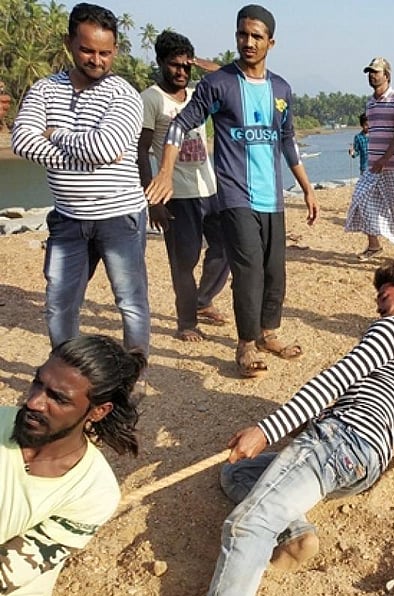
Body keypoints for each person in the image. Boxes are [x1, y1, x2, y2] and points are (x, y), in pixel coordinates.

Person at [166, 262, 394, 596]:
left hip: (339, 441)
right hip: (365, 464)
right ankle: (296, 530)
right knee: (235, 473)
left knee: (247, 527)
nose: (380, 306)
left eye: (385, 295)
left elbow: (336, 379)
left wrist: (267, 430)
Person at [145, 5, 319, 379]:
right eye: (243, 34)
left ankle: (267, 333)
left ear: (271, 42)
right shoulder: (218, 84)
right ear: (236, 36)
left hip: (273, 196)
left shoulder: (281, 89)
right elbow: (180, 126)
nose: (249, 42)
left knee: (275, 271)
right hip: (235, 196)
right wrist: (165, 172)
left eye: (257, 36)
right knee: (248, 270)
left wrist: (306, 188)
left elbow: (287, 140)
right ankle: (244, 345)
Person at [11, 3, 150, 359]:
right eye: (87, 50)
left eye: (105, 52)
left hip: (120, 216)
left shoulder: (124, 95)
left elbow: (106, 147)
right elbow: (23, 141)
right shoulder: (45, 90)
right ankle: (64, 369)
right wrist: (84, 156)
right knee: (59, 301)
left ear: (116, 50)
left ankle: (134, 374)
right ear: (69, 43)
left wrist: (55, 133)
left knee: (129, 300)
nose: (97, 59)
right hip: (68, 216)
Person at [0, 334, 145, 596]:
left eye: (58, 398)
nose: (34, 401)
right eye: (37, 383)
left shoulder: (94, 491)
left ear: (97, 411)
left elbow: (8, 572)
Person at [138, 30, 230, 343]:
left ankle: (203, 300)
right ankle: (186, 321)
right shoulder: (150, 99)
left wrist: (199, 63)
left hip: (211, 188)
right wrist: (153, 200)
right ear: (161, 62)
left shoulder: (196, 95)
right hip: (177, 195)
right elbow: (141, 152)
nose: (181, 71)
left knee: (227, 247)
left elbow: (229, 75)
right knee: (184, 262)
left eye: (186, 65)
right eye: (175, 65)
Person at [345, 57, 394, 262]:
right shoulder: (370, 103)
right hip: (373, 165)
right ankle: (374, 245)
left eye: (376, 72)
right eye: (370, 72)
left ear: (387, 75)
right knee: (361, 198)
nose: (372, 76)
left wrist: (385, 159)